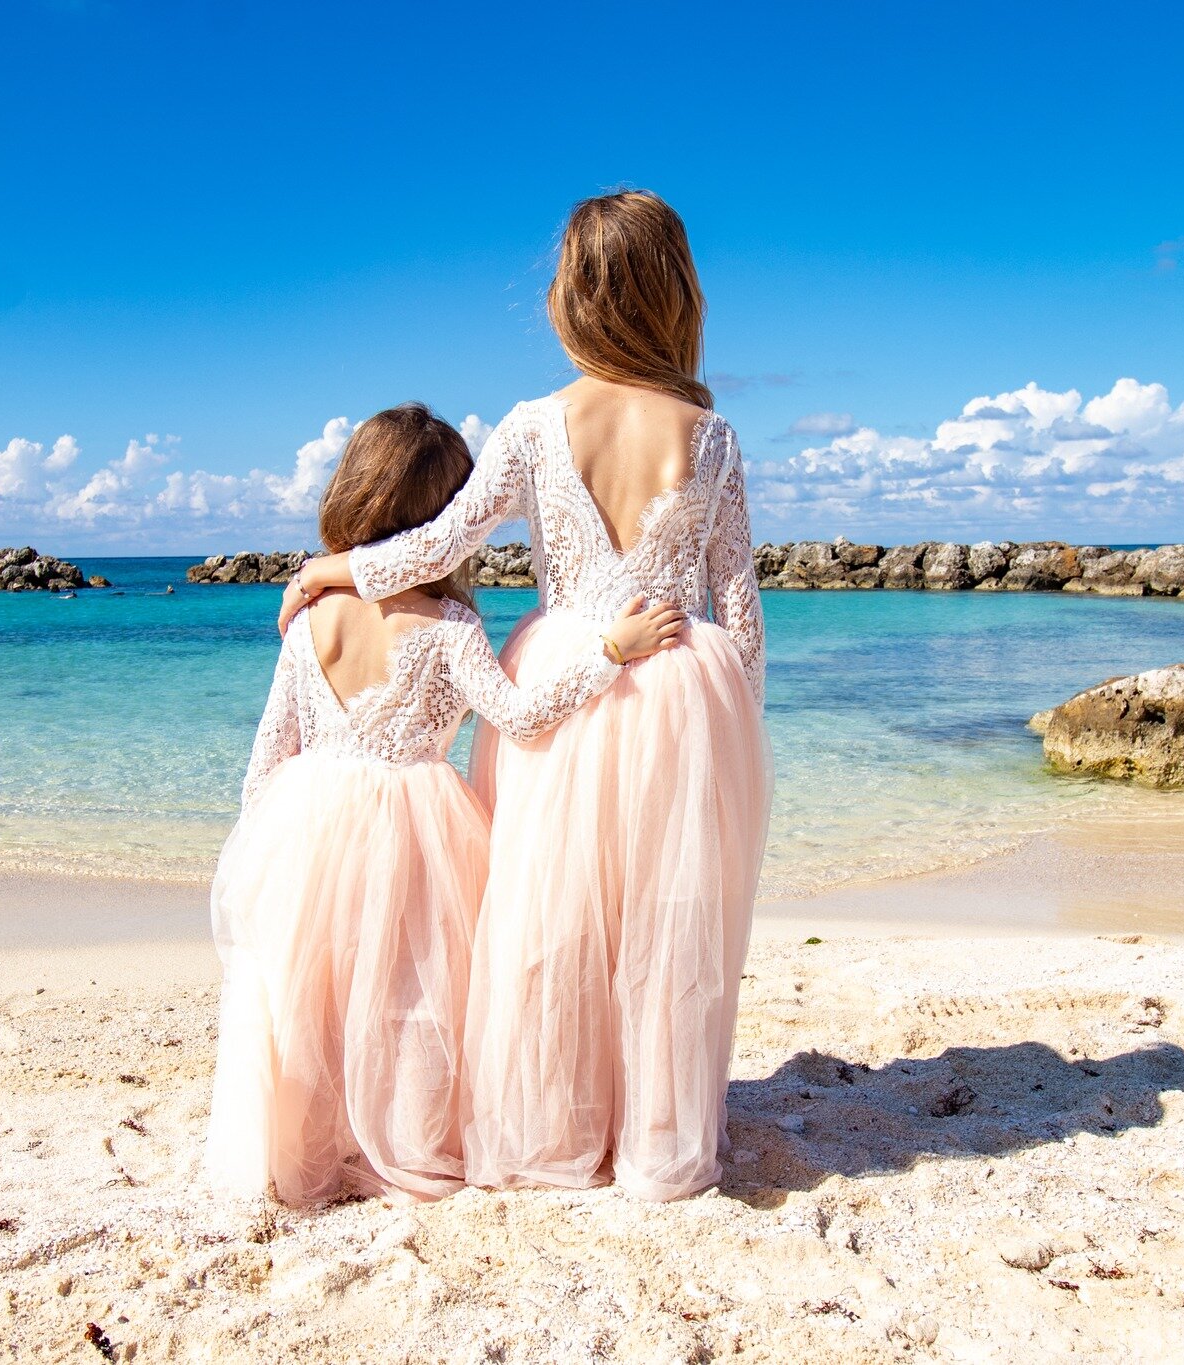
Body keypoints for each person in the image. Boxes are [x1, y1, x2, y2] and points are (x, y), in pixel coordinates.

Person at [279, 192, 770, 1200]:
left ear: (575, 298)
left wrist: (337, 571)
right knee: (667, 919)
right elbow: (740, 609)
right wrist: (738, 728)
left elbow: (437, 547)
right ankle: (657, 1142)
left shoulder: (536, 424)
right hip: (684, 684)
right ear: (673, 293)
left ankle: (553, 1132)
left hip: (560, 673)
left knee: (546, 917)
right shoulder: (711, 437)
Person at [205, 402, 682, 1207]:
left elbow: (265, 763)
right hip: (418, 827)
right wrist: (609, 651)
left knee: (312, 988)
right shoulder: (454, 627)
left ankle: (312, 1145)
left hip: (309, 817)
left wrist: (265, 850)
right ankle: (405, 1141)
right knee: (411, 996)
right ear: (445, 519)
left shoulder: (309, 617)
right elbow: (523, 716)